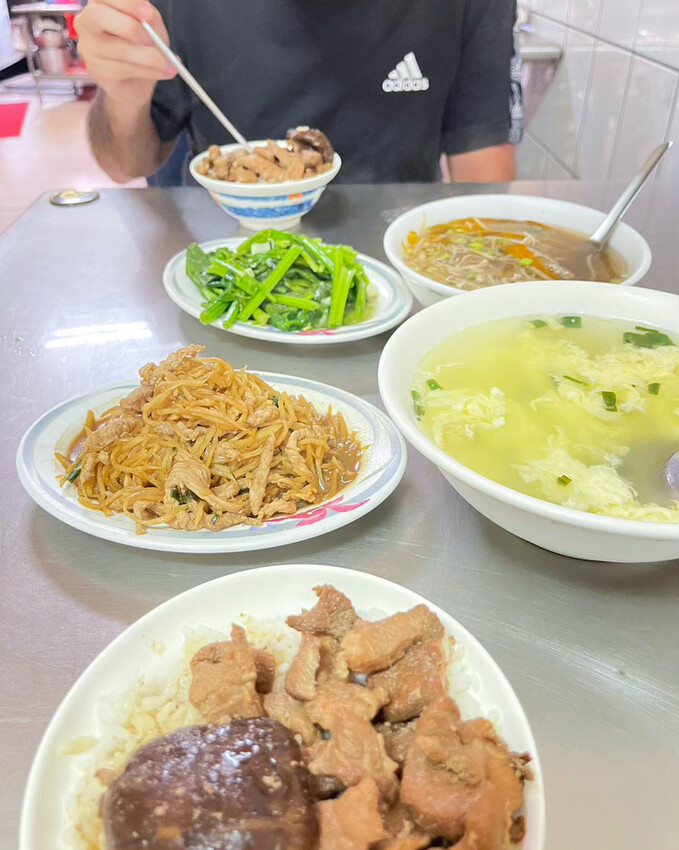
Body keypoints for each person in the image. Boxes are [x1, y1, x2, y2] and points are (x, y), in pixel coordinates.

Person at [75, 0, 522, 185]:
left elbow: (482, 161)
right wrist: (125, 96)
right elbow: (124, 164)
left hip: (399, 264)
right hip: (224, 264)